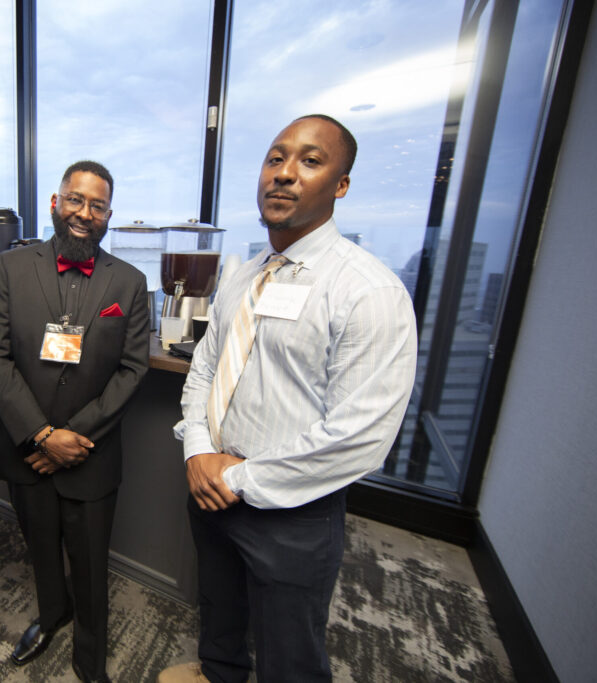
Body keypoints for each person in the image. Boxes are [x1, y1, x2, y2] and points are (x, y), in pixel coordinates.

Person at [161, 115, 418, 683]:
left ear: (341, 185)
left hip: (293, 508)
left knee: (290, 654)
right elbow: (205, 367)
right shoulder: (243, 276)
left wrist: (238, 478)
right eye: (275, 158)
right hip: (210, 486)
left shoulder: (368, 291)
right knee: (221, 618)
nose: (284, 174)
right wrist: (200, 452)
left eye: (309, 160)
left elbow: (360, 437)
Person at [0, 161, 150, 682]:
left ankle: (90, 659)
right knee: (41, 548)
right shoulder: (11, 267)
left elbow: (132, 368)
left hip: (88, 453)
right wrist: (43, 435)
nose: (84, 213)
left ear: (109, 216)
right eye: (75, 200)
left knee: (91, 565)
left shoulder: (131, 282)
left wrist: (73, 437)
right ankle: (53, 615)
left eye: (97, 206)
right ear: (56, 203)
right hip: (27, 447)